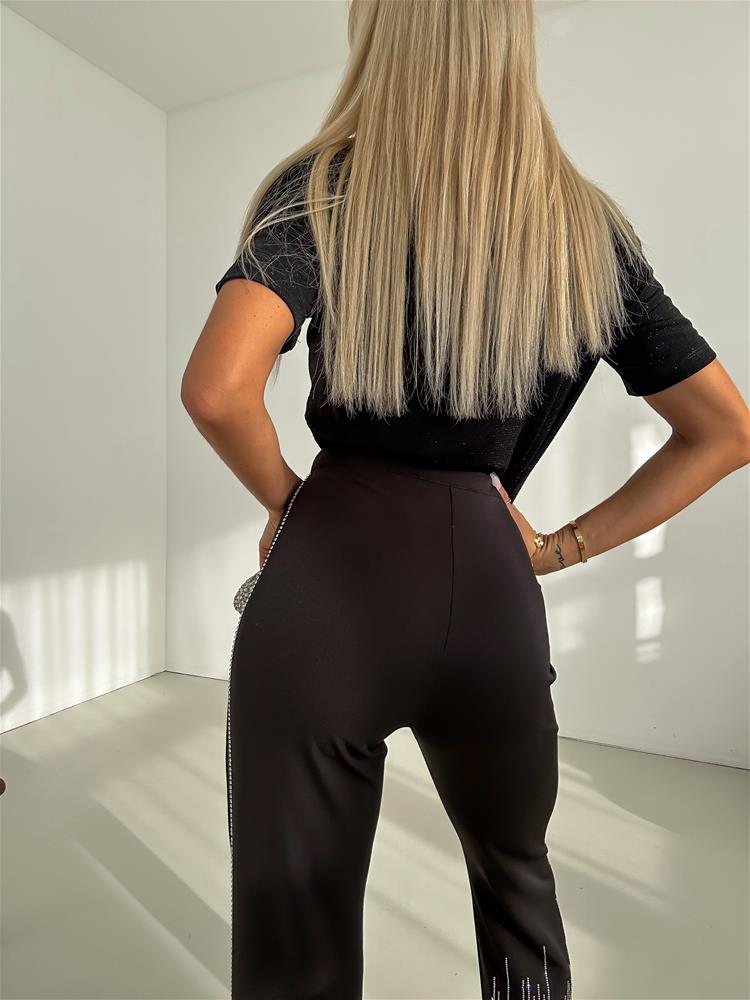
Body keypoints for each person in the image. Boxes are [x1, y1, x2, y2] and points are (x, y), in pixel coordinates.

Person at [181, 2, 749, 998]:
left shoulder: (323, 188)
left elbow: (219, 391)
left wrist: (284, 501)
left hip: (329, 582)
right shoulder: (587, 230)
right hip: (491, 587)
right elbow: (727, 431)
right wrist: (558, 547)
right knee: (519, 885)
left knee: (295, 933)